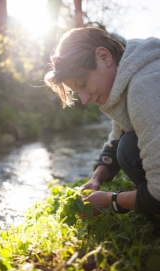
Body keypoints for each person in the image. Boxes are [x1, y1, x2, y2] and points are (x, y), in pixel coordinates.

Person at [44, 26, 160, 216]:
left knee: (128, 148)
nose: (84, 99)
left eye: (83, 84)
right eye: (77, 91)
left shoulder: (142, 89)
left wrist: (110, 200)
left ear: (104, 57)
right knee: (125, 145)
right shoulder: (127, 82)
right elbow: (117, 136)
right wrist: (96, 178)